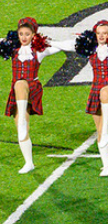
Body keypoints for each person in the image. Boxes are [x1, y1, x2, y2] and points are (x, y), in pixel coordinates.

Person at [62, 21, 108, 177]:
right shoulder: (90, 47)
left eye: (104, 33)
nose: (101, 36)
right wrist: (49, 43)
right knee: (99, 131)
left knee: (105, 94)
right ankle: (106, 166)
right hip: (96, 87)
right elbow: (70, 45)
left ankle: (106, 126)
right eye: (99, 33)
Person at [3, 17, 66, 174]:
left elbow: (63, 46)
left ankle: (23, 121)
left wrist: (48, 42)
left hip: (32, 88)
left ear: (33, 35)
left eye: (27, 34)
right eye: (21, 34)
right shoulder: (12, 49)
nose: (23, 37)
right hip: (19, 92)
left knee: (20, 83)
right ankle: (29, 162)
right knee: (20, 125)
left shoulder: (39, 51)